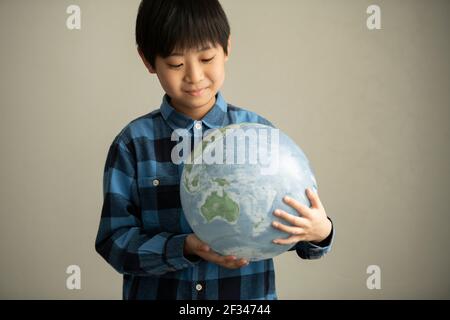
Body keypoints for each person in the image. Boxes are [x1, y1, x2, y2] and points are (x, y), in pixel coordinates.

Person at [95, 0, 334, 300]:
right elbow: (114, 242)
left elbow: (302, 239)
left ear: (227, 48)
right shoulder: (133, 143)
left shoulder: (262, 137)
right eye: (176, 64)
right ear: (147, 60)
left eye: (207, 58)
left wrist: (320, 231)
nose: (194, 76)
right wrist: (183, 247)